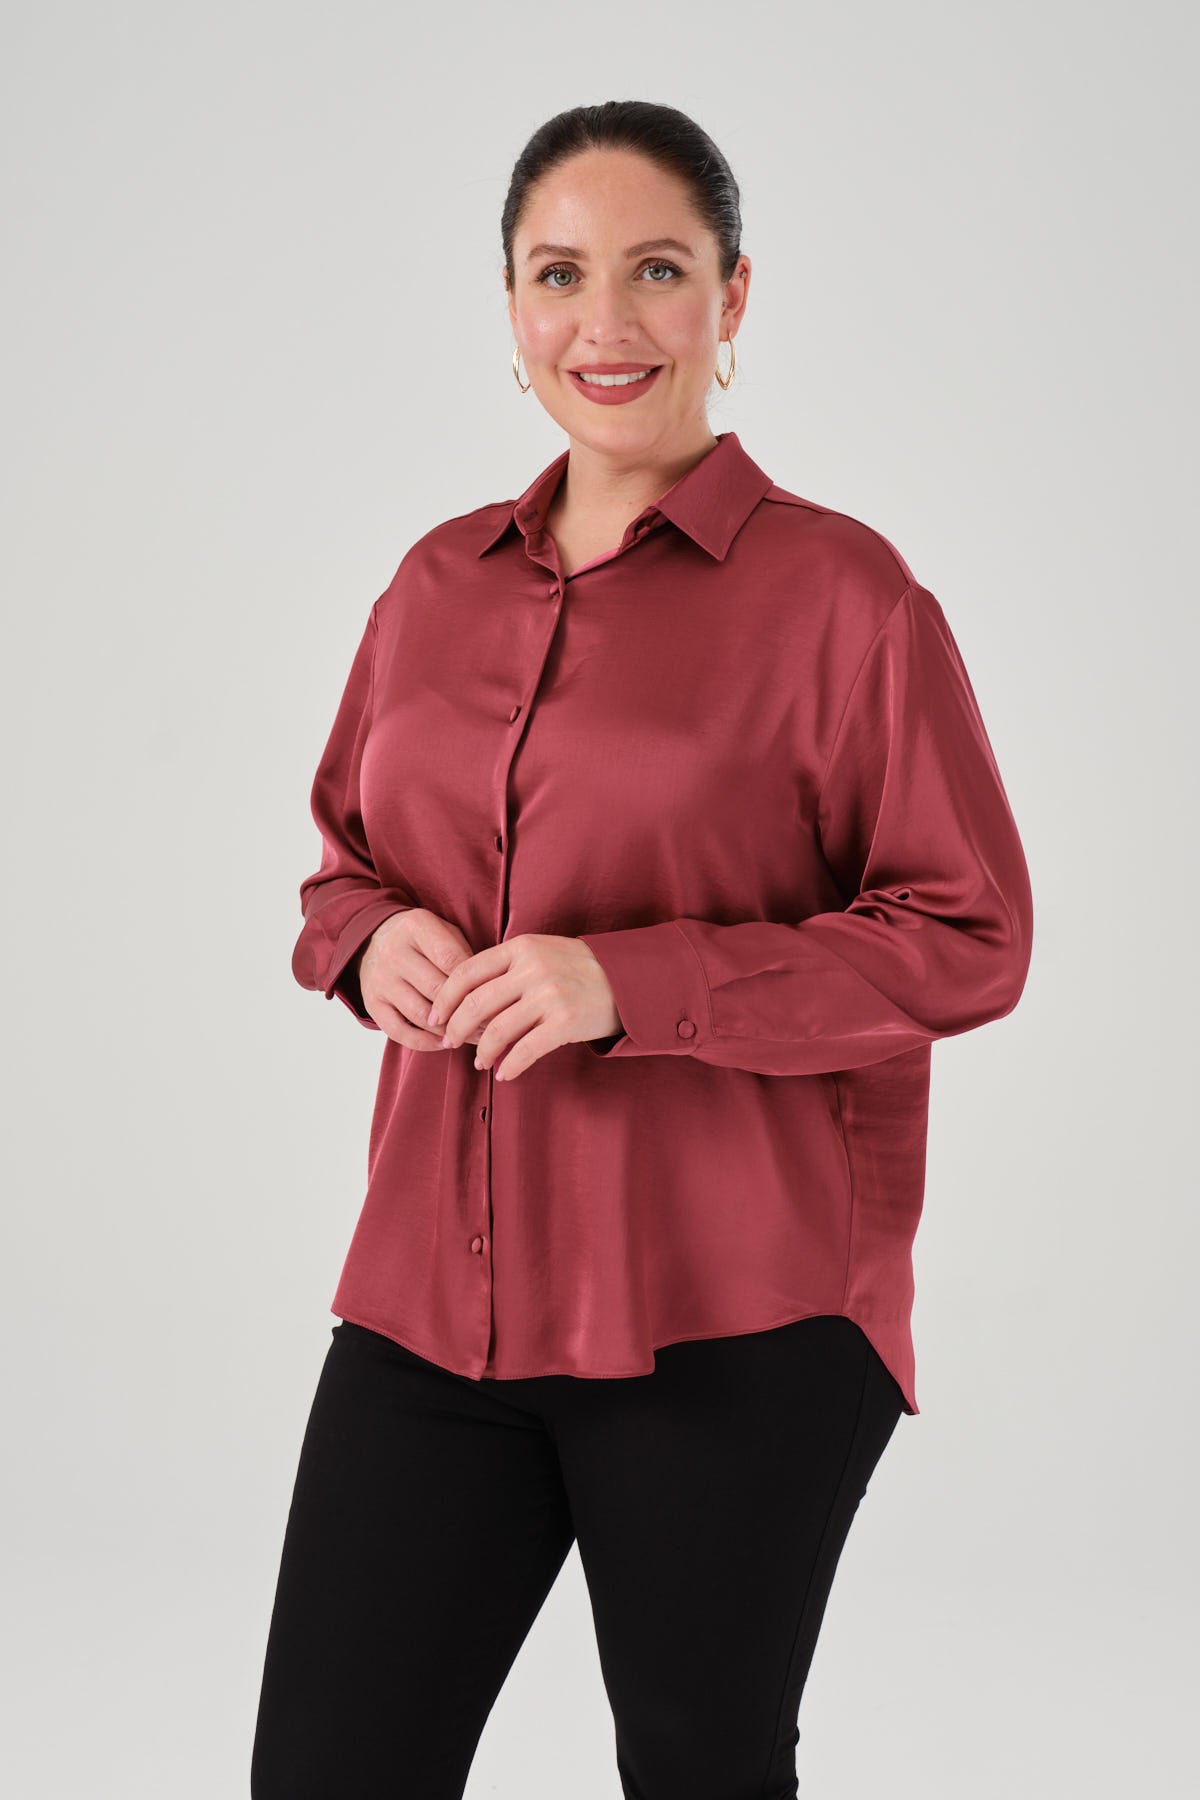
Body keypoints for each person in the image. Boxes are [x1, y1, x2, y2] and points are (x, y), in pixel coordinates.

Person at [251, 99, 1034, 1800]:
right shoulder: (433, 587)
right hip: (434, 1302)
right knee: (326, 1768)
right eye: (559, 275)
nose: (604, 323)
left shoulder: (846, 602)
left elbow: (968, 933)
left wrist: (634, 983)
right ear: (511, 306)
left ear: (733, 297)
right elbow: (338, 873)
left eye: (657, 270)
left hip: (733, 1313)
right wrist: (369, 943)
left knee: (700, 1770)